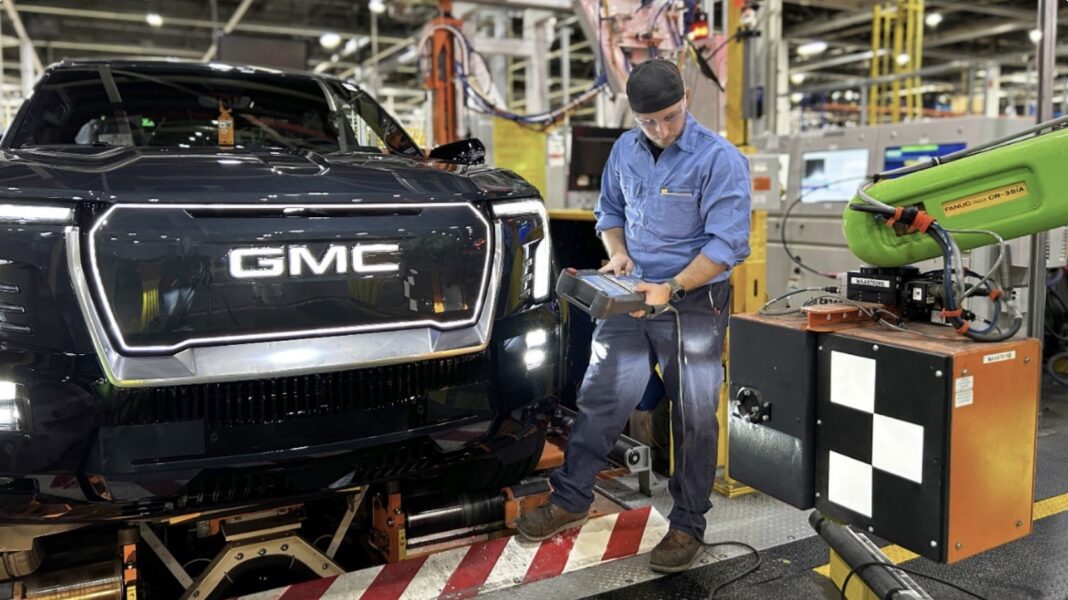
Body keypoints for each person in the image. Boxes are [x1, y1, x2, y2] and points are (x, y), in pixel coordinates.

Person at [515, 59, 752, 573]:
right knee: (600, 399)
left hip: (692, 303)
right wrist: (618, 252)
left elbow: (728, 244)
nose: (661, 131)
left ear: (685, 99)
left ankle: (688, 523)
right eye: (649, 122)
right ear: (633, 116)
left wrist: (673, 286)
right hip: (631, 295)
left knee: (693, 416)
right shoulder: (625, 149)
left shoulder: (720, 160)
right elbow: (610, 212)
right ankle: (571, 499)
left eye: (669, 117)